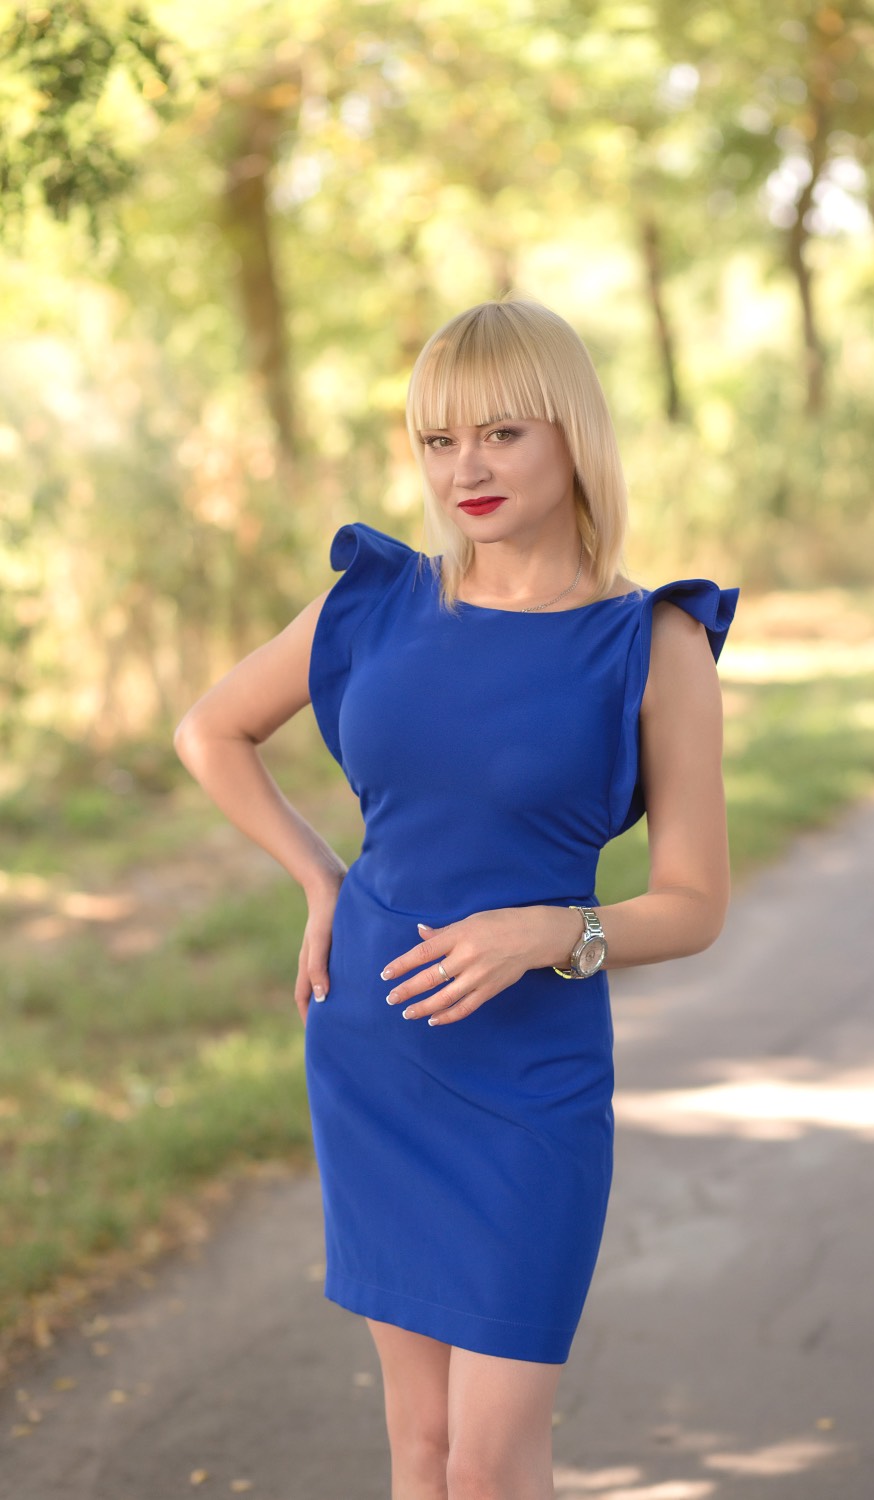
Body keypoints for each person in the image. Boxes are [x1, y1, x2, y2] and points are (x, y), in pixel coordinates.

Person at [174, 295, 738, 1500]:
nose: (463, 470)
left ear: (572, 434)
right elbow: (209, 730)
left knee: (487, 1465)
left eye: (500, 434)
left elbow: (694, 902)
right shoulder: (375, 602)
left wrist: (552, 932)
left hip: (532, 1077)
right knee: (420, 1449)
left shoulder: (652, 642)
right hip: (374, 1040)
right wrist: (320, 876)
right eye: (438, 441)